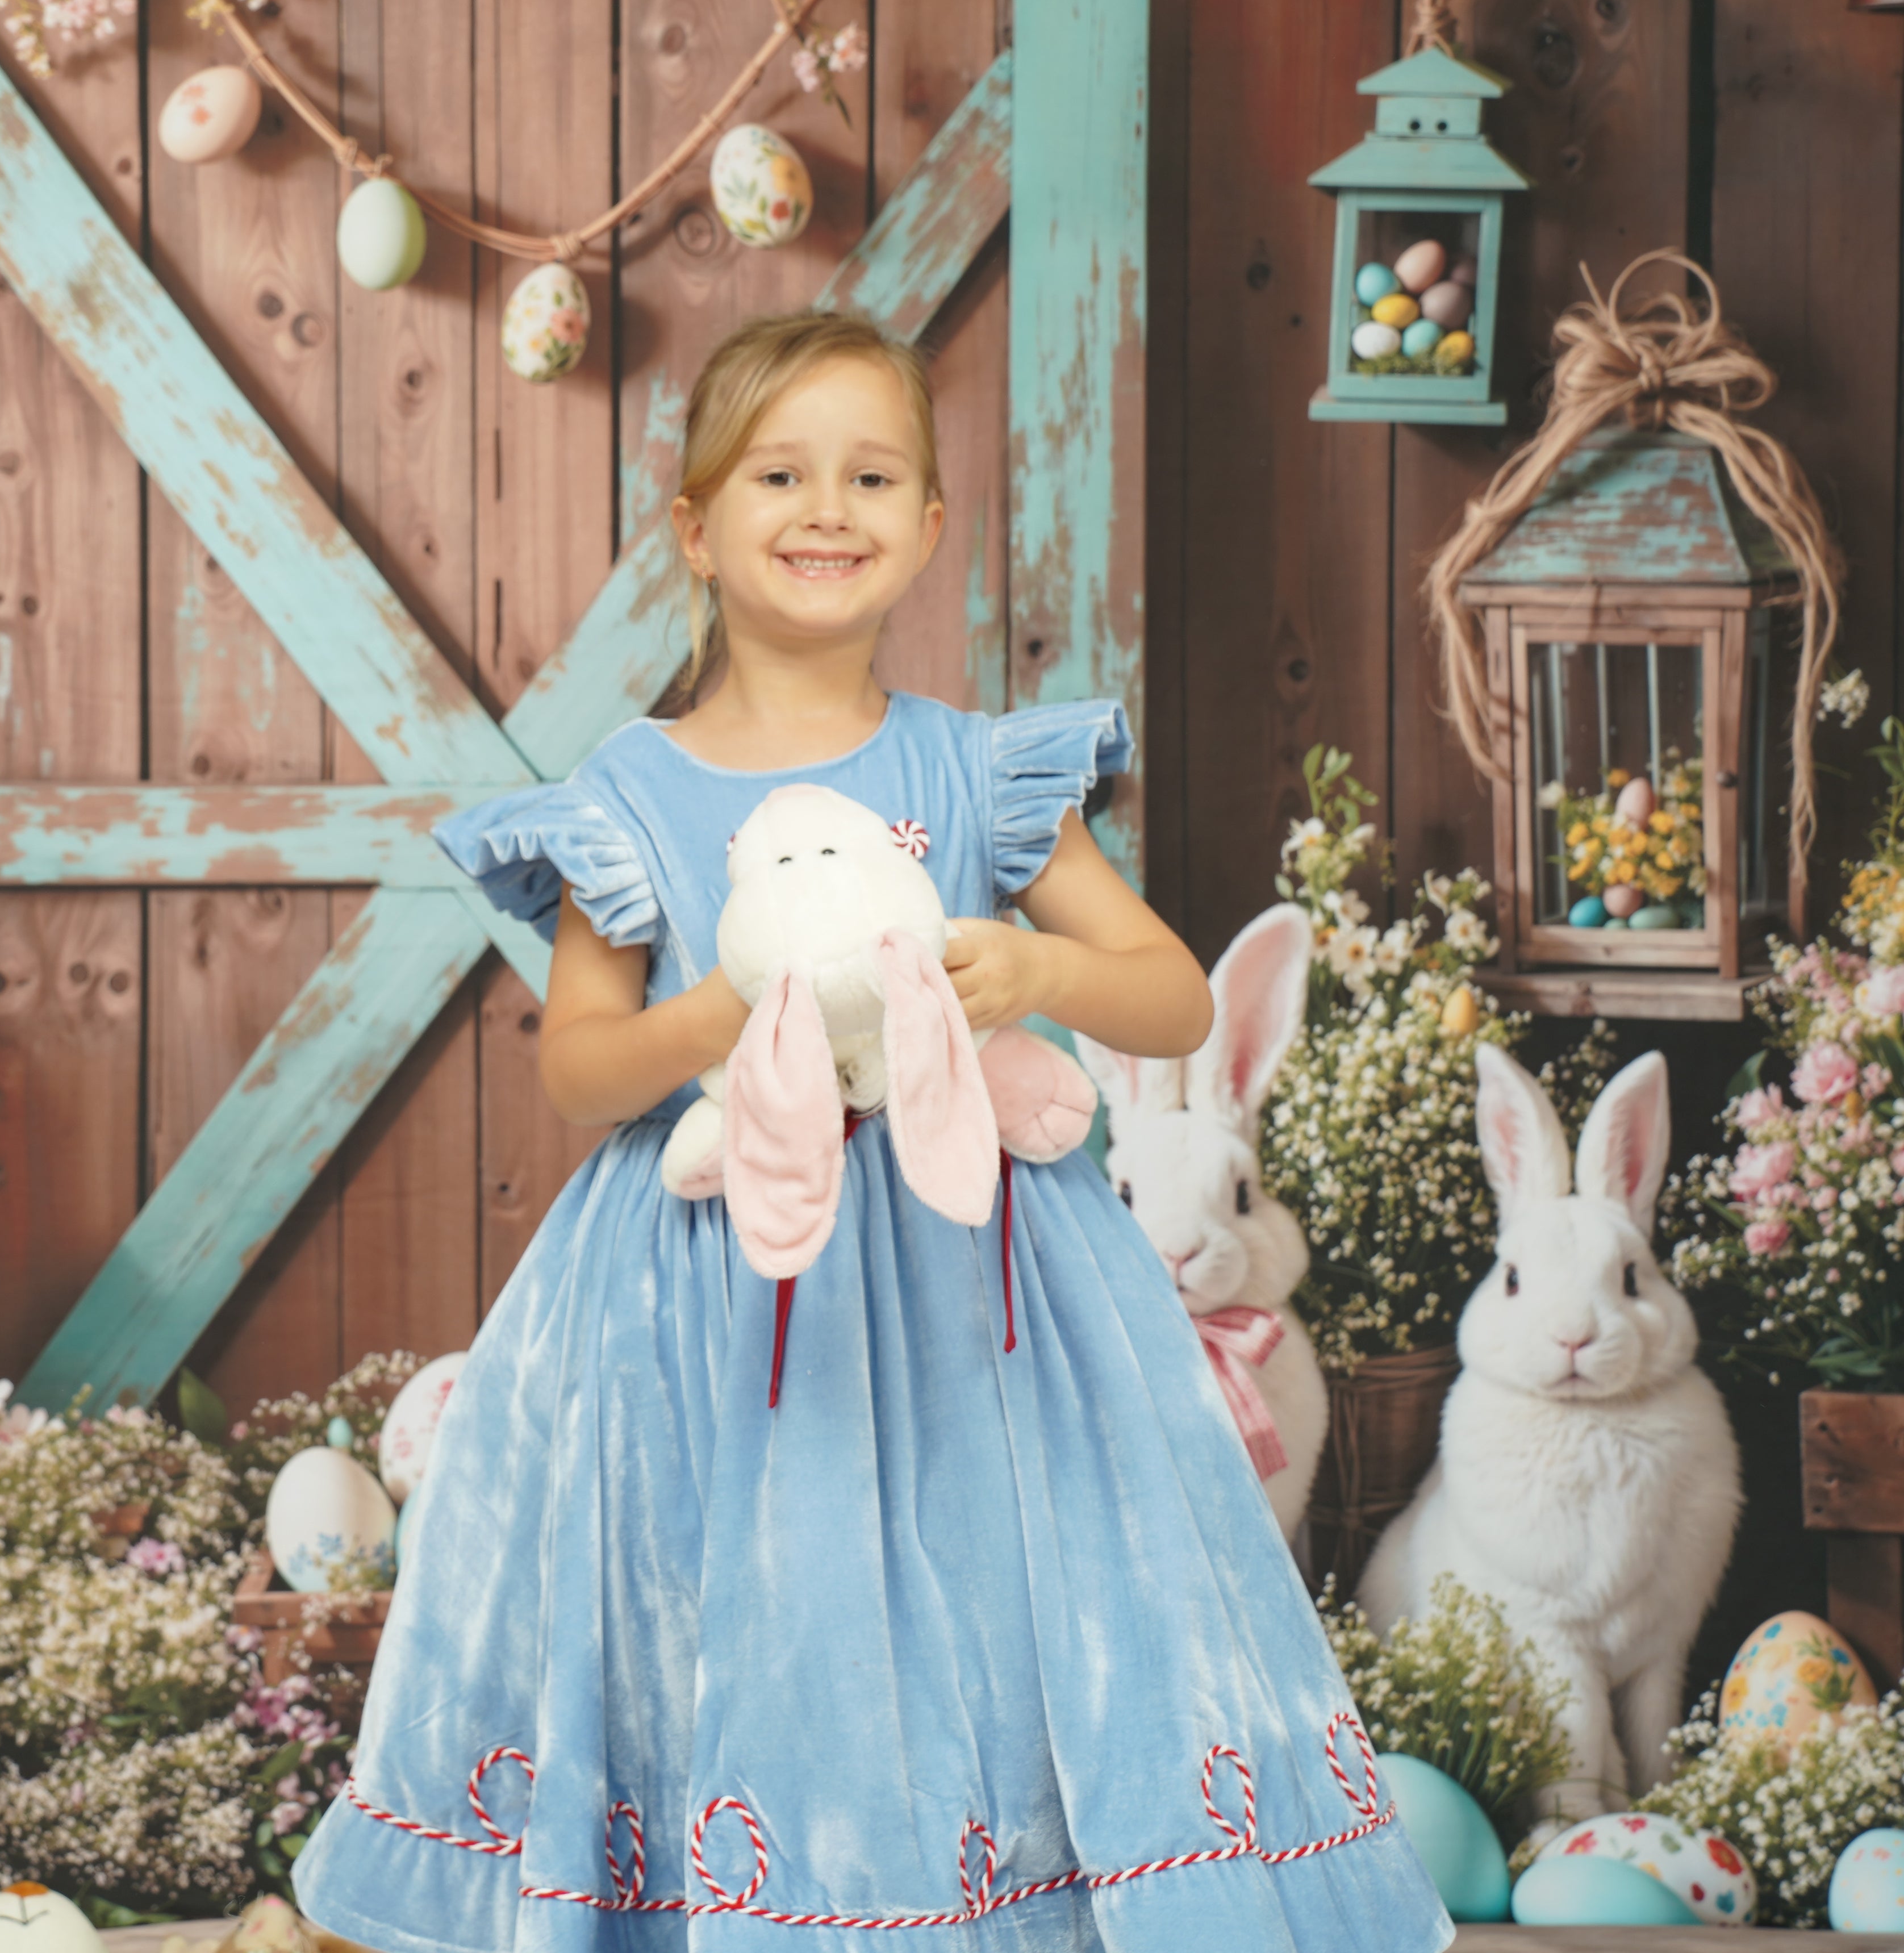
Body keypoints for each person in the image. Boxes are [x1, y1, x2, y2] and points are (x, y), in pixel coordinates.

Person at [291, 312, 1452, 1953]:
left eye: (872, 473)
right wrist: (734, 1007)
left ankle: (1001, 1908)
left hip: (978, 1287)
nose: (825, 506)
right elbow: (582, 1073)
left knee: (988, 1593)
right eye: (779, 472)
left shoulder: (975, 776)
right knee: (727, 1603)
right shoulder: (629, 792)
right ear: (695, 524)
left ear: (927, 529)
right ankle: (723, 1908)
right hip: (706, 1285)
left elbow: (1177, 1000)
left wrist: (1038, 968)